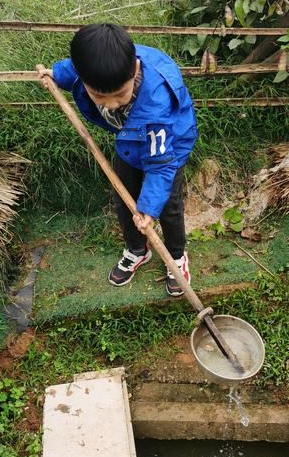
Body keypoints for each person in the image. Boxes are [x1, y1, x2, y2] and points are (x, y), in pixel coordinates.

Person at [37, 23, 197, 296]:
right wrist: (55, 74)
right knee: (125, 200)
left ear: (134, 70)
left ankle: (176, 257)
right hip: (130, 142)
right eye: (99, 96)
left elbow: (160, 167)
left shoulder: (155, 107)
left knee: (166, 207)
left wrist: (148, 209)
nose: (110, 104)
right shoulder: (95, 68)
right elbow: (73, 69)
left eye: (120, 95)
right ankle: (137, 250)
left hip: (168, 148)